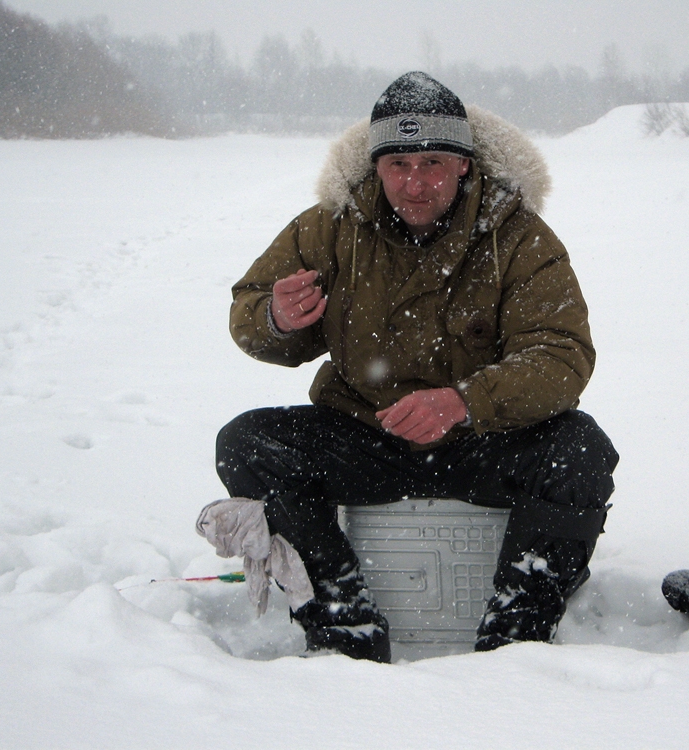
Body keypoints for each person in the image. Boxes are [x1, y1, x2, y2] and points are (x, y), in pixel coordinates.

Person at [216, 72, 618, 663]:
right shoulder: (328, 227)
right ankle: (340, 619)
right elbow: (248, 309)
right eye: (398, 162)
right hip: (364, 435)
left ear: (463, 163)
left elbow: (562, 354)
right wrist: (276, 318)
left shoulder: (519, 237)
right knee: (246, 443)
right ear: (375, 166)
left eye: (433, 160)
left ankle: (518, 637)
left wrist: (464, 402)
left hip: (480, 439)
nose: (415, 182)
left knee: (580, 450)